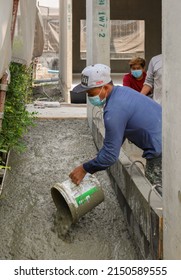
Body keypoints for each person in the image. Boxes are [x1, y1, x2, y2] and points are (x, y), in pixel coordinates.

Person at [69, 64, 162, 194]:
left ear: (105, 87)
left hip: (163, 152)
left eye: (91, 93)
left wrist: (84, 169)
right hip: (169, 140)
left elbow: (110, 156)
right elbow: (114, 141)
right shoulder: (123, 93)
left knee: (158, 198)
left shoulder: (113, 111)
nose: (89, 97)